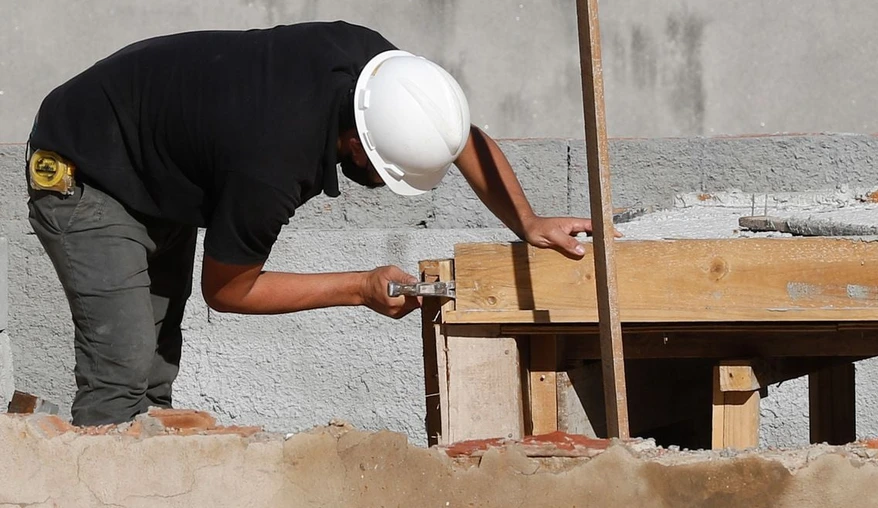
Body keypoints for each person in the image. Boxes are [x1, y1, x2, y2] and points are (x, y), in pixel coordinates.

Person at [25, 20, 599, 427]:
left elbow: (456, 135)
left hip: (158, 157)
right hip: (85, 168)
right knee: (123, 369)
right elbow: (227, 290)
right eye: (385, 173)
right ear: (356, 141)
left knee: (153, 372)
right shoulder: (272, 164)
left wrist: (527, 220)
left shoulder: (379, 73)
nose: (385, 185)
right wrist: (359, 287)